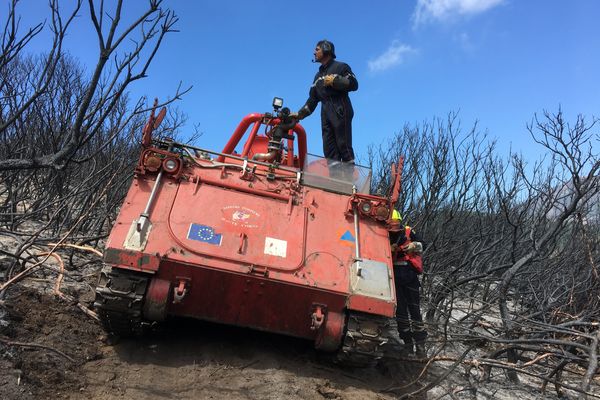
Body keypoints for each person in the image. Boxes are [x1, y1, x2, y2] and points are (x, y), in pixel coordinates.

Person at [292, 39, 358, 174]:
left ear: (326, 49)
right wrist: (299, 115)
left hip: (340, 107)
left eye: (317, 49)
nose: (314, 52)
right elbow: (312, 100)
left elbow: (354, 84)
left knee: (343, 145)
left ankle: (349, 180)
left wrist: (336, 80)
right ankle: (335, 181)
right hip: (325, 111)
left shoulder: (341, 67)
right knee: (329, 149)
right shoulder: (318, 76)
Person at [389, 210, 427, 358]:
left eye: (396, 225)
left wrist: (414, 245)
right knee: (401, 313)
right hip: (395, 278)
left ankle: (420, 346)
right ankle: (407, 345)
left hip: (410, 275)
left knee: (415, 312)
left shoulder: (408, 232)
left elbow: (423, 244)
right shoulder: (383, 235)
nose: (394, 228)